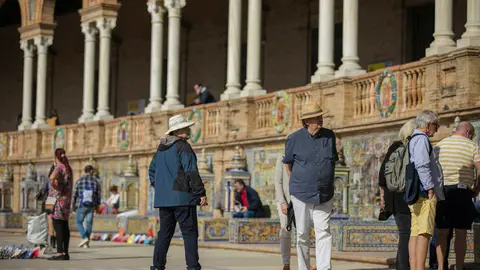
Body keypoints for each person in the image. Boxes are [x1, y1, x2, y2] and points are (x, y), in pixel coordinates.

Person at [283, 102, 338, 270]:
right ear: (307, 121)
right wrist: (296, 181)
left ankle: (324, 268)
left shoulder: (330, 136)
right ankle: (303, 268)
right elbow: (287, 163)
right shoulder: (293, 139)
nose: (321, 120)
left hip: (324, 193)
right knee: (302, 234)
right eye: (317, 118)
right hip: (301, 193)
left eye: (321, 117)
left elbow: (333, 160)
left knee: (324, 232)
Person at [149, 114, 207, 270]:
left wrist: (161, 188)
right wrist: (200, 192)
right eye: (186, 127)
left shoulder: (160, 149)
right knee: (189, 233)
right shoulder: (183, 146)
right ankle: (193, 266)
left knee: (164, 234)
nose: (189, 130)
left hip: (164, 199)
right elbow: (191, 171)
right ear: (178, 131)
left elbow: (151, 170)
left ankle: (157, 266)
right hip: (183, 197)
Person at [434, 121, 480, 270]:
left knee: (442, 232)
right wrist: (477, 188)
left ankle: (441, 267)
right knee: (461, 233)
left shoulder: (440, 144)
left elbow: (432, 168)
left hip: (443, 192)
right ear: (468, 133)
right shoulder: (471, 145)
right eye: (472, 135)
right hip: (462, 192)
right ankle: (459, 267)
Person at [408, 110, 444, 270]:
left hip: (415, 192)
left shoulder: (413, 139)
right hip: (424, 193)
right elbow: (422, 165)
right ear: (428, 125)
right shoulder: (422, 140)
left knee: (416, 232)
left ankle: (416, 267)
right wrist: (430, 187)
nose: (436, 130)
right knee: (424, 233)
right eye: (436, 126)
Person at [378, 119, 417, 270]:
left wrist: (383, 198)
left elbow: (382, 176)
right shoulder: (413, 147)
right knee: (407, 234)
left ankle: (402, 265)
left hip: (392, 198)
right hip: (406, 196)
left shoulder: (393, 147)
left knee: (404, 233)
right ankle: (403, 267)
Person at [47, 148, 73, 261]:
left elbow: (51, 177)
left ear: (56, 157)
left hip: (56, 200)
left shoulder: (59, 167)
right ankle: (65, 252)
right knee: (65, 226)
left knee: (58, 226)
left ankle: (59, 252)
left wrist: (54, 186)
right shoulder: (68, 168)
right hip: (66, 201)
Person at [72, 165, 101, 249]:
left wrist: (73, 204)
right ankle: (86, 243)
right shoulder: (96, 182)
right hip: (91, 205)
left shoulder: (79, 181)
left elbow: (74, 193)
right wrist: (97, 206)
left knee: (79, 222)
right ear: (91, 171)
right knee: (89, 223)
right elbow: (98, 195)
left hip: (81, 205)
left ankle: (84, 237)